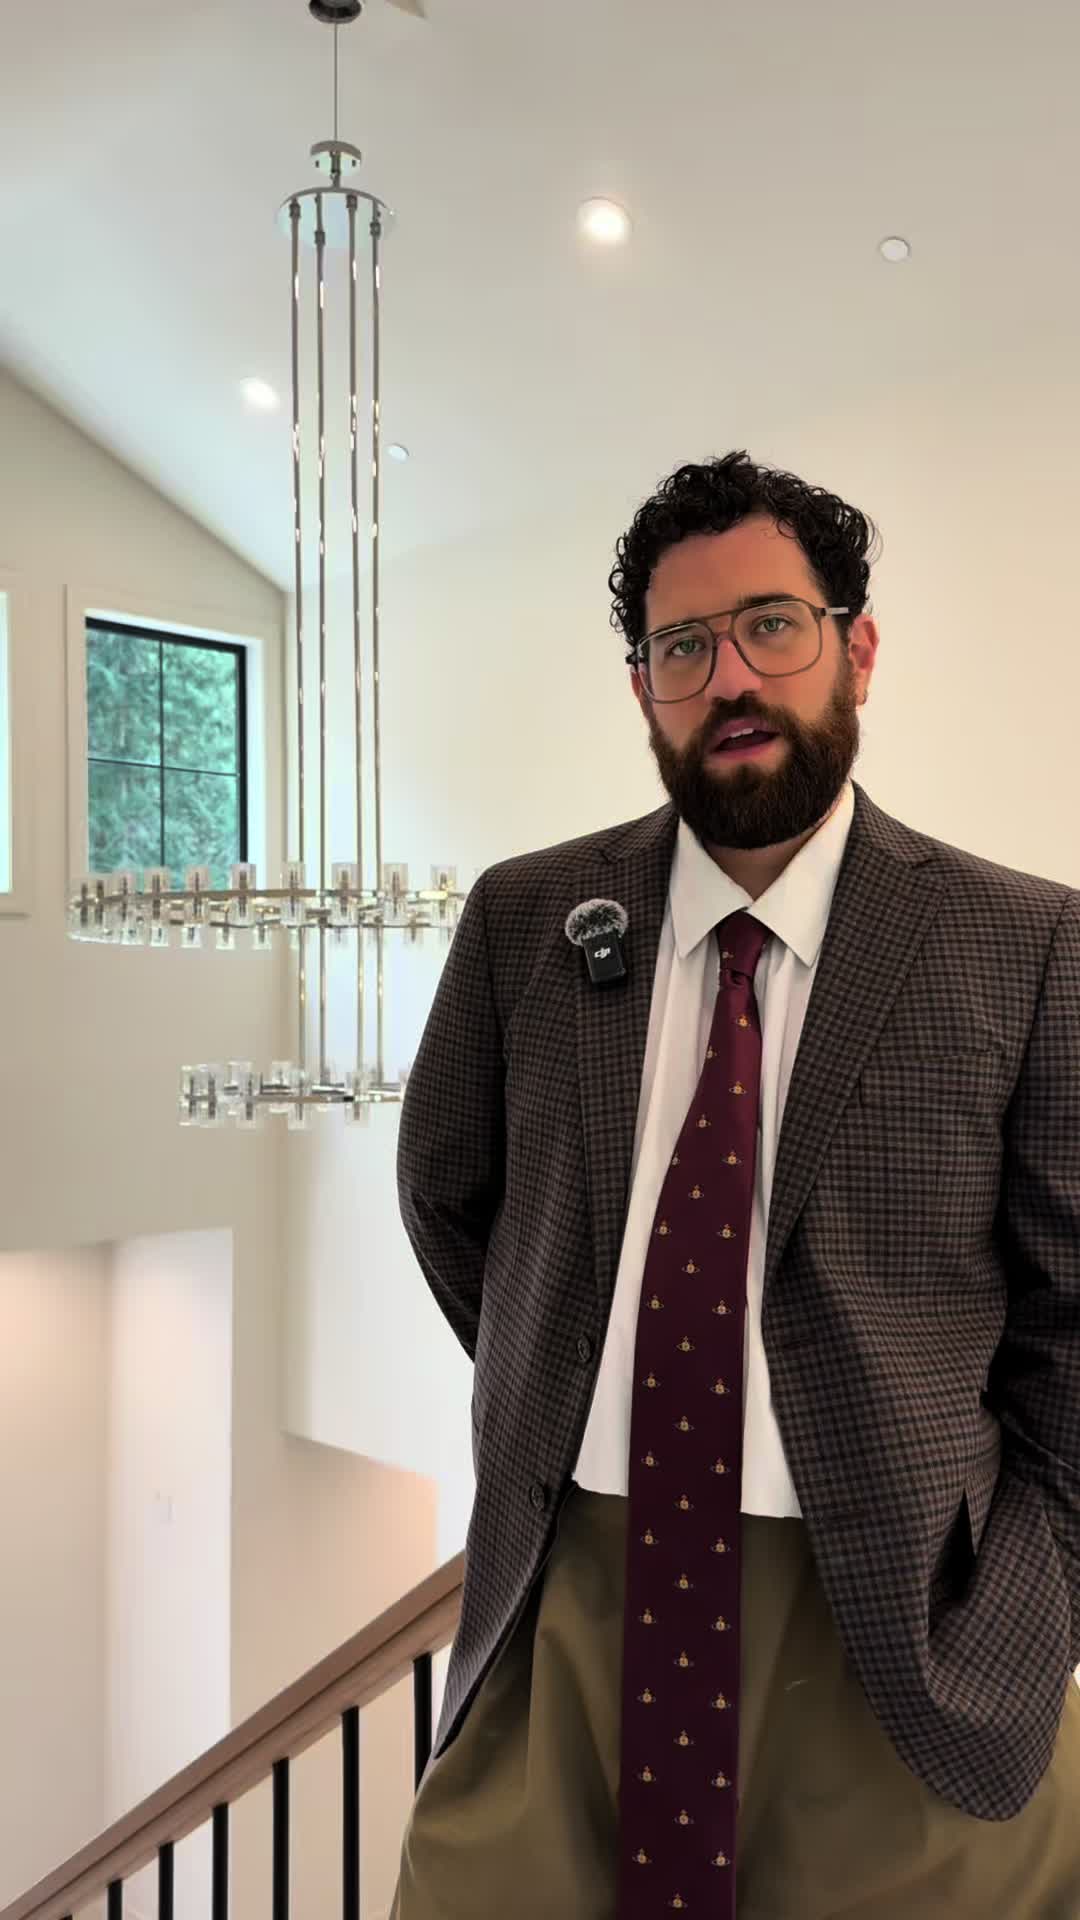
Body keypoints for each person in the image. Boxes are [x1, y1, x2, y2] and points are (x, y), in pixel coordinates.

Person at [389, 452, 1080, 1919]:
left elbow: (1073, 1324)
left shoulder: (1026, 945)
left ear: (858, 648)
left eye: (772, 625)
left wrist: (1036, 1593)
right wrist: (568, 1371)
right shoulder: (527, 918)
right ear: (643, 688)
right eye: (682, 647)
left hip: (902, 1630)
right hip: (564, 1600)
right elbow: (450, 1202)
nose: (731, 680)